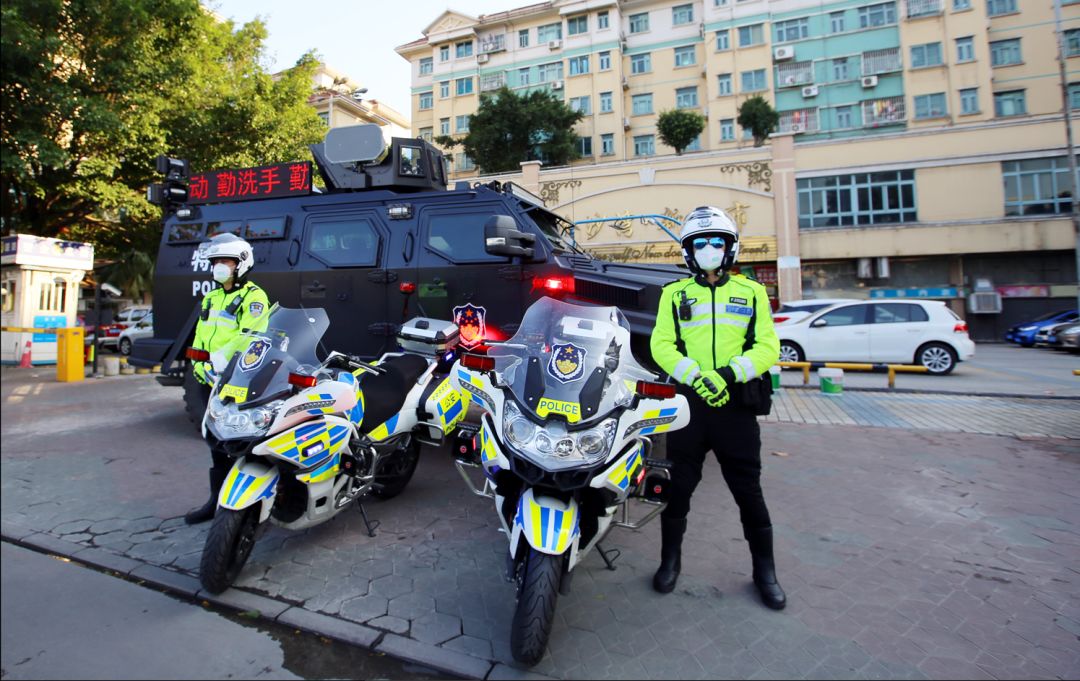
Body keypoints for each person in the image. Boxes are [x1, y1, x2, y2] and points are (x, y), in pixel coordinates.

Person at [649, 206, 785, 610]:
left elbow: (767, 347)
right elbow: (661, 344)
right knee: (678, 491)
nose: (709, 249)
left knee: (749, 492)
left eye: (716, 242)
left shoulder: (752, 292)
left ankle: (765, 572)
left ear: (730, 248)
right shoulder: (674, 294)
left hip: (736, 407)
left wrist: (726, 375)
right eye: (700, 243)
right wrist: (694, 375)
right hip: (690, 408)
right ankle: (669, 561)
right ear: (688, 251)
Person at [184, 233, 271, 525]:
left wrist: (221, 361)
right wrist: (198, 364)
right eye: (216, 261)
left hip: (235, 378)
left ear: (242, 263)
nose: (219, 266)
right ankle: (216, 502)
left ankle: (241, 507)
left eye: (226, 261)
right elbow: (201, 333)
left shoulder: (254, 297)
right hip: (207, 378)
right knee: (214, 442)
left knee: (237, 440)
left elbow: (251, 335)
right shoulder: (212, 296)